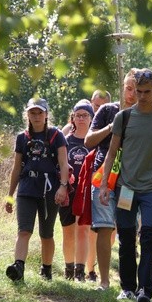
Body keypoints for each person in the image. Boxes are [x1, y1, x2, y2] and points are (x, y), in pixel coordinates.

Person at [99, 68, 152, 302]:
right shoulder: (123, 118)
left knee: (149, 238)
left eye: (147, 92)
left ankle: (145, 291)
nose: (142, 96)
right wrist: (104, 184)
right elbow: (111, 152)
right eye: (138, 91)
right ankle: (128, 287)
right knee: (125, 239)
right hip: (126, 189)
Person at [5, 98, 69, 282]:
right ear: (27, 115)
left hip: (50, 190)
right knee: (24, 231)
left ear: (46, 114)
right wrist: (10, 195)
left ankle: (46, 269)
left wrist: (63, 187)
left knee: (46, 233)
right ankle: (18, 268)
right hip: (27, 188)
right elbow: (16, 168)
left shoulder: (56, 135)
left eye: (40, 112)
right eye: (32, 113)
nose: (36, 116)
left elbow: (64, 164)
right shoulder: (22, 137)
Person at [84, 70, 137, 290]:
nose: (132, 93)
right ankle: (104, 281)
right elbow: (88, 141)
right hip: (103, 178)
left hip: (129, 181)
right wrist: (110, 127)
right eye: (128, 87)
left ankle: (128, 282)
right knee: (104, 227)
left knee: (126, 229)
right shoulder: (107, 110)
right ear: (122, 86)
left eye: (137, 88)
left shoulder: (146, 115)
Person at [59, 100, 93, 281]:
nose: (81, 119)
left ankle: (80, 272)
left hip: (87, 190)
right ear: (72, 118)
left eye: (85, 115)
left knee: (83, 230)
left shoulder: (95, 140)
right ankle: (68, 269)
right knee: (68, 230)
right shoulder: (65, 141)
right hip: (68, 189)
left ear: (91, 118)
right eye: (78, 115)